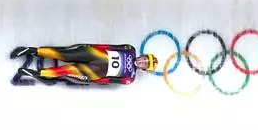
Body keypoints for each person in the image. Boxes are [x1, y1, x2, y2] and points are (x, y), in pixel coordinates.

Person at [10, 44, 157, 86]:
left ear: (143, 69)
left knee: (64, 70)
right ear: (142, 56)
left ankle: (32, 73)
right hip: (92, 53)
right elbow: (109, 46)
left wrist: (90, 80)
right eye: (145, 59)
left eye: (145, 64)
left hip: (93, 72)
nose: (142, 61)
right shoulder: (129, 49)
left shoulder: (129, 78)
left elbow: (107, 80)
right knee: (63, 53)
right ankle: (31, 50)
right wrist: (90, 47)